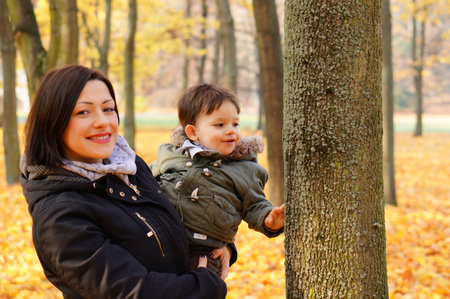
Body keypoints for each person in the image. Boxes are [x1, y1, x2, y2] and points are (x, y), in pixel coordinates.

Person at [20, 65, 234, 299]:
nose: (103, 121)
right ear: (54, 122)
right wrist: (207, 285)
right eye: (84, 112)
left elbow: (181, 213)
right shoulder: (59, 216)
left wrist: (219, 245)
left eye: (108, 108)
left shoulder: (126, 167)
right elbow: (133, 292)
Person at [151, 83, 285, 275]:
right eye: (220, 125)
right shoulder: (172, 155)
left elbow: (255, 205)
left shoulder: (245, 169)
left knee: (196, 289)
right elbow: (146, 181)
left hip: (203, 251)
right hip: (160, 240)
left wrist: (270, 219)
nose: (231, 130)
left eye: (235, 124)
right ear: (193, 132)